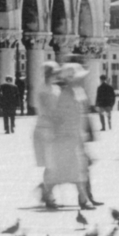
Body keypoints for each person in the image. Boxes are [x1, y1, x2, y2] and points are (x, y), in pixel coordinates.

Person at [34, 61, 97, 209]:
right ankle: (81, 198)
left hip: (74, 136)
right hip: (66, 137)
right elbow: (59, 117)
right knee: (67, 169)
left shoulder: (75, 91)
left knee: (70, 169)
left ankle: (51, 194)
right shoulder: (65, 94)